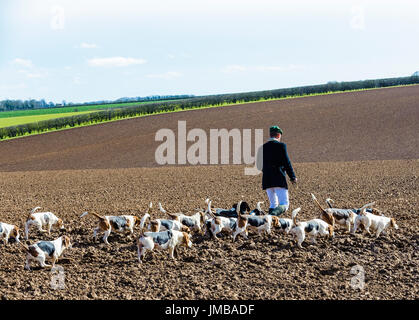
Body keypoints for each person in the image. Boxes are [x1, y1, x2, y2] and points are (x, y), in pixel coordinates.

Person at [260, 125, 297, 216]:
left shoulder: (263, 147)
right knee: (284, 204)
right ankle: (270, 218)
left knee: (273, 204)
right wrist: (292, 177)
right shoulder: (281, 146)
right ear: (279, 135)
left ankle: (271, 224)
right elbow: (287, 162)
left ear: (270, 134)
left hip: (267, 180)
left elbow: (259, 165)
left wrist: (268, 172)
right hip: (278, 178)